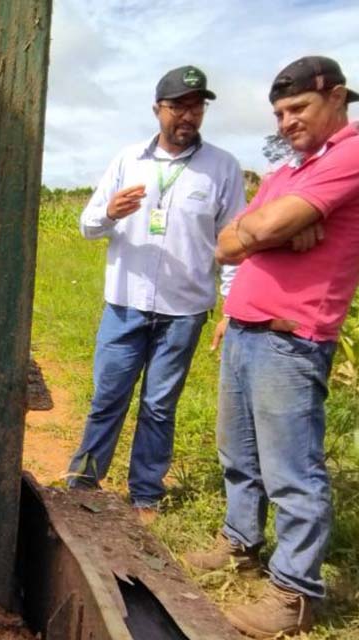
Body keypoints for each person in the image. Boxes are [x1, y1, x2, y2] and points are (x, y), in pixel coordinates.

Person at [184, 56, 359, 638]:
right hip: (243, 327)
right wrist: (276, 231)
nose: (287, 122)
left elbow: (253, 232)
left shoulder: (351, 154)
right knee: (237, 453)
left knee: (292, 470)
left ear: (337, 98)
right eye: (280, 113)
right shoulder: (288, 170)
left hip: (291, 337)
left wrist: (263, 231)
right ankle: (240, 541)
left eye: (298, 108)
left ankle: (294, 591)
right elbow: (226, 244)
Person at [66, 66, 245, 518]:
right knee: (107, 397)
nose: (189, 115)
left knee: (160, 406)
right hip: (125, 305)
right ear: (157, 109)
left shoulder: (222, 167)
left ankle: (145, 492)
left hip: (184, 311)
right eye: (178, 106)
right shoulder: (128, 160)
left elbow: (232, 244)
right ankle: (83, 482)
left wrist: (231, 306)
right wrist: (109, 212)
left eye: (197, 107)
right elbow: (87, 226)